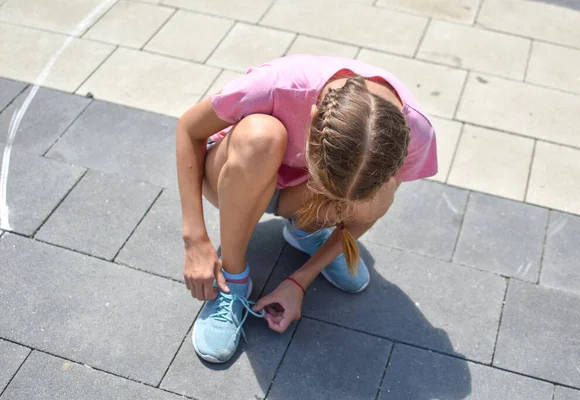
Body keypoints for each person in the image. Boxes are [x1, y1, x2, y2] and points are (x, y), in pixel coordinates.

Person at [176, 54, 438, 363]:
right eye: (329, 192)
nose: (338, 207)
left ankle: (304, 232)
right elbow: (188, 128)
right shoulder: (276, 84)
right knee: (262, 136)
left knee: (381, 194)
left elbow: (372, 203)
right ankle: (234, 280)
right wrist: (194, 238)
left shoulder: (414, 133)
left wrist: (299, 281)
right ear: (312, 117)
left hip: (298, 188)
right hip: (232, 177)